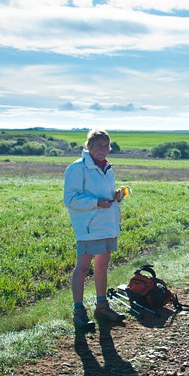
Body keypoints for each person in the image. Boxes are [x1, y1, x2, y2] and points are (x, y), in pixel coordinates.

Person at [64, 129, 127, 329]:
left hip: (107, 224)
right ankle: (78, 311)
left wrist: (116, 196)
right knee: (82, 268)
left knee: (102, 265)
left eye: (106, 145)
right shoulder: (77, 169)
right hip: (89, 226)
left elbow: (104, 194)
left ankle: (102, 307)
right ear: (88, 146)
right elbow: (70, 199)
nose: (103, 149)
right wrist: (96, 203)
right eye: (98, 145)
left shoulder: (107, 167)